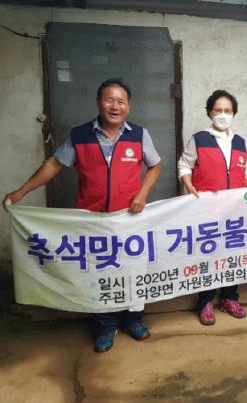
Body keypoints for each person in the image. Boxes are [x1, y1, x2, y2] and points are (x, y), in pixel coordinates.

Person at [2, 78, 162, 353]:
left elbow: (155, 166)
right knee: (98, 271)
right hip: (92, 219)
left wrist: (142, 194)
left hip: (130, 218)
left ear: (129, 106)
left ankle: (134, 320)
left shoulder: (139, 134)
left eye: (121, 101)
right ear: (99, 102)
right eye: (109, 100)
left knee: (133, 269)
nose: (115, 106)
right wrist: (21, 192)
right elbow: (54, 164)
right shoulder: (80, 135)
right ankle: (105, 326)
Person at [177, 89, 247, 325]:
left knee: (232, 254)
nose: (223, 114)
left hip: (235, 209)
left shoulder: (240, 141)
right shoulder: (199, 139)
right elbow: (184, 164)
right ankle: (205, 301)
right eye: (218, 110)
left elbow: (242, 169)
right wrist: (188, 184)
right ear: (210, 112)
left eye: (227, 110)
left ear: (234, 113)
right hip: (207, 209)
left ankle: (229, 298)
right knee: (208, 254)